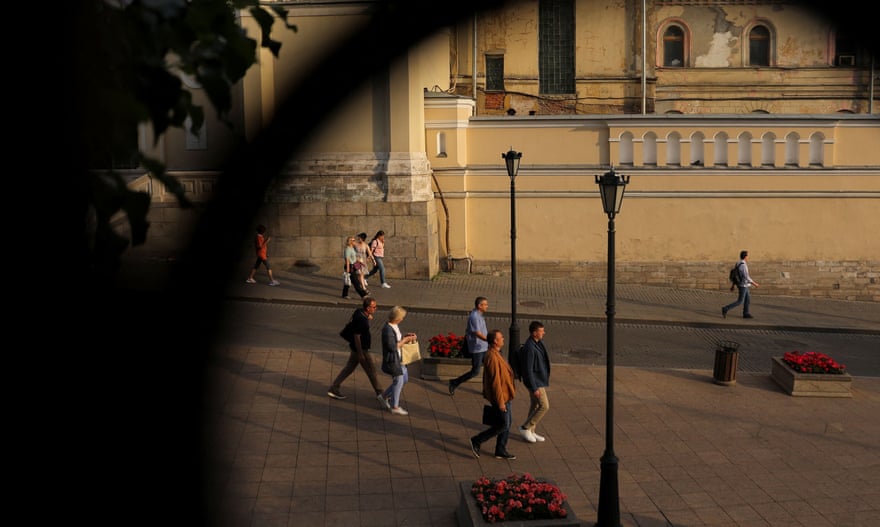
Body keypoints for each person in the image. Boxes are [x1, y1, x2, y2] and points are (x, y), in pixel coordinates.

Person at [468, 329, 516, 460]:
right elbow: (496, 382)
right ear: (495, 341)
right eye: (501, 337)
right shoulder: (492, 357)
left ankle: (500, 449)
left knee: (507, 422)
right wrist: (500, 403)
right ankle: (477, 440)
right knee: (503, 424)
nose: (503, 339)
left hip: (506, 396)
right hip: (501, 398)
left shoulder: (496, 353)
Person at [328, 297, 386, 404]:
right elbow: (357, 336)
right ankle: (380, 393)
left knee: (349, 368)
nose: (375, 309)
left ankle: (334, 387)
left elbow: (355, 324)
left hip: (355, 348)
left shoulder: (359, 312)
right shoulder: (362, 321)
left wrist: (368, 317)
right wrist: (360, 353)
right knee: (371, 370)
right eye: (374, 307)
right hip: (362, 350)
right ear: (368, 308)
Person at [380, 306, 418, 415]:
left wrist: (405, 337)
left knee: (404, 379)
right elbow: (392, 347)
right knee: (399, 381)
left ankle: (384, 396)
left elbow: (397, 340)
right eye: (402, 317)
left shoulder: (394, 326)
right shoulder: (388, 329)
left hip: (399, 359)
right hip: (393, 360)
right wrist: (405, 340)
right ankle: (394, 406)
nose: (402, 319)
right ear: (397, 318)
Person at [517, 321, 551, 444]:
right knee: (544, 406)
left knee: (535, 405)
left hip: (539, 380)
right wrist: (534, 387)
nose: (544, 333)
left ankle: (531, 430)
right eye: (541, 331)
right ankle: (525, 427)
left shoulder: (538, 342)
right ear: (534, 333)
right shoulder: (529, 347)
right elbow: (528, 370)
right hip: (535, 382)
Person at [448, 297, 489, 395]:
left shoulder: (479, 314)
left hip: (484, 346)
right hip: (477, 348)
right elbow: (477, 333)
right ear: (479, 306)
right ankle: (454, 382)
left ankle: (486, 390)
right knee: (475, 371)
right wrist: (489, 340)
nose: (487, 306)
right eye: (485, 304)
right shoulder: (474, 317)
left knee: (488, 368)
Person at [722, 250, 760, 319]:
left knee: (747, 299)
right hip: (743, 285)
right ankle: (726, 308)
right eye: (747, 256)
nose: (748, 257)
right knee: (740, 301)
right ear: (745, 256)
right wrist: (755, 284)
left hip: (742, 284)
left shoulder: (738, 263)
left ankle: (746, 313)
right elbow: (746, 277)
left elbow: (735, 275)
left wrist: (733, 285)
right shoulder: (743, 265)